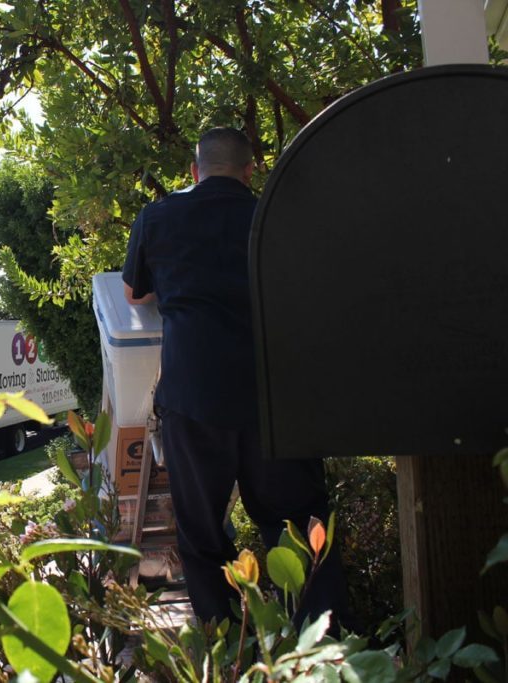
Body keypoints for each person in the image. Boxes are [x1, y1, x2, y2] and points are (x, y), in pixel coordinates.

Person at [122, 127, 351, 628]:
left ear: (194, 171)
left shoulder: (158, 217)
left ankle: (225, 649)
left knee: (203, 536)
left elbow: (134, 295)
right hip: (278, 398)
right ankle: (327, 650)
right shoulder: (279, 215)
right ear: (251, 171)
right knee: (299, 527)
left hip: (195, 397)